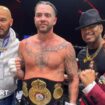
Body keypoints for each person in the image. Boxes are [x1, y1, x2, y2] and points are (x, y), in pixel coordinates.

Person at [9, 1, 79, 105]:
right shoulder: (23, 44)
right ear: (34, 19)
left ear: (54, 20)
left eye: (47, 15)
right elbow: (22, 76)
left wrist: (72, 103)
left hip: (55, 101)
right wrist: (17, 70)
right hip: (27, 101)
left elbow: (73, 78)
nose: (42, 19)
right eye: (39, 15)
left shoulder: (66, 47)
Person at [76, 9, 105, 105]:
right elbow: (84, 77)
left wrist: (91, 85)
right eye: (83, 29)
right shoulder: (81, 54)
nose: (87, 31)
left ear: (101, 28)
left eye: (92, 26)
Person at [0, 5, 19, 105]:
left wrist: (19, 70)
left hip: (9, 96)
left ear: (11, 22)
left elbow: (24, 71)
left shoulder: (18, 45)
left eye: (2, 20)